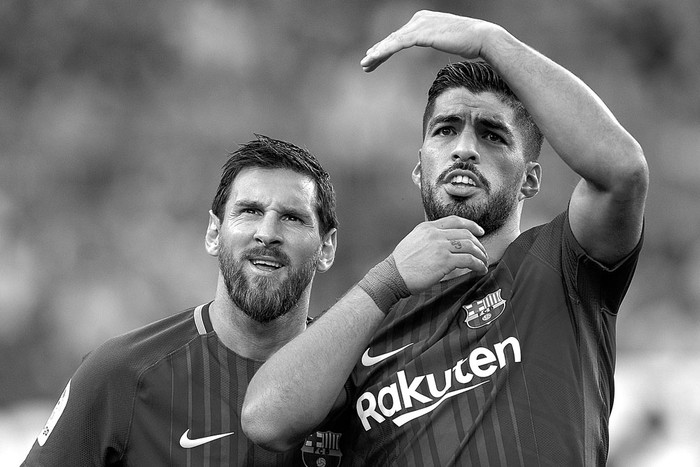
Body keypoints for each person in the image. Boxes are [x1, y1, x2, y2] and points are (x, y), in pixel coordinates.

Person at [242, 10, 648, 466]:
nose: (465, 148)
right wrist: (388, 279)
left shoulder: (560, 268)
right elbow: (266, 422)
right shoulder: (370, 315)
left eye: (493, 135)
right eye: (446, 129)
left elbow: (623, 173)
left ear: (530, 180)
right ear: (419, 168)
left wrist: (491, 39)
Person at [23, 134, 344, 466]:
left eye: (292, 217)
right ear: (214, 234)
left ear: (326, 248)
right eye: (250, 210)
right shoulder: (122, 374)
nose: (267, 233)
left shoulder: (361, 382)